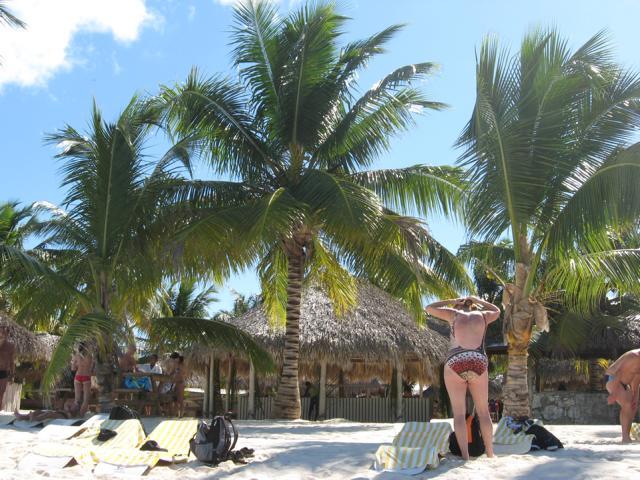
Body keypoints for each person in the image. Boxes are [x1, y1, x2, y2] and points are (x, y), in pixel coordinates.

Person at [426, 295, 500, 460]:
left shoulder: (453, 314)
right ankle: (490, 453)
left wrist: (451, 302)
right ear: (472, 306)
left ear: (459, 306)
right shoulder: (483, 316)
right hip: (478, 359)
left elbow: (429, 308)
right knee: (483, 412)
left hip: (456, 360)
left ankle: (465, 455)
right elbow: (497, 311)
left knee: (459, 414)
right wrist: (479, 301)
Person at [605, 348, 640, 443]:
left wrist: (635, 398)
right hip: (613, 378)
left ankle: (627, 436)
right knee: (627, 404)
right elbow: (618, 372)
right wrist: (614, 393)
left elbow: (637, 378)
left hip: (624, 383)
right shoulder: (634, 356)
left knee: (633, 406)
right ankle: (625, 438)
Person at [70, 342, 94, 417]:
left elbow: (73, 368)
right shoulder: (90, 356)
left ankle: (73, 415)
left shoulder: (76, 356)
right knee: (85, 400)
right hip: (86, 377)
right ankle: (81, 415)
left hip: (78, 376)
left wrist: (77, 365)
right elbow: (92, 369)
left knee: (77, 400)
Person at [14, 398, 80, 422]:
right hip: (59, 412)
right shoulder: (71, 401)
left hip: (64, 416)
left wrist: (68, 411)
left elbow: (72, 416)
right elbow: (65, 405)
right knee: (38, 411)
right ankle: (22, 417)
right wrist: (67, 408)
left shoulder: (78, 406)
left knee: (49, 414)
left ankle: (36, 419)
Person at [0, 325, 16, 408]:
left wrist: (12, 375)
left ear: (7, 334)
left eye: (4, 332)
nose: (1, 333)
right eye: (0, 331)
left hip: (4, 372)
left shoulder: (10, 346)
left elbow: (12, 361)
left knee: (1, 393)